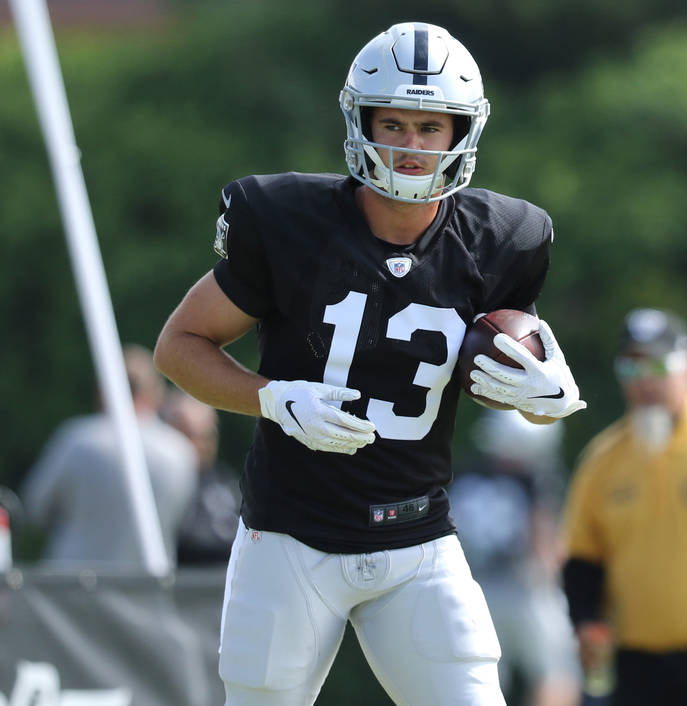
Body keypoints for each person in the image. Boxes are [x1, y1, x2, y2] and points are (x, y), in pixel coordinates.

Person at [153, 21, 586, 706]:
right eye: (394, 123)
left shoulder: (505, 239)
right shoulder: (287, 222)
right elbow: (179, 347)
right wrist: (273, 399)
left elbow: (482, 374)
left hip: (417, 543)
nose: (410, 146)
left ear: (460, 134)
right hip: (291, 537)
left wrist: (537, 394)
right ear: (361, 122)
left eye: (429, 127)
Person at [560, 308, 687, 706]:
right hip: (636, 664)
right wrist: (586, 621)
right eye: (630, 367)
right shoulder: (603, 458)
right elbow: (582, 556)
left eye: (658, 364)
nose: (645, 381)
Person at [21, 344, 197, 567]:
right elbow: (184, 522)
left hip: (71, 590)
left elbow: (36, 507)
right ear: (155, 394)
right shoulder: (180, 451)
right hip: (147, 590)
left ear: (104, 389)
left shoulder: (77, 440)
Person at [449, 410, 581, 706]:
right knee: (557, 674)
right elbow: (543, 545)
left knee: (478, 683)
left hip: (471, 592)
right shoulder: (532, 481)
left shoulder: (464, 475)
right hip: (525, 591)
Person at [161, 389, 242, 565]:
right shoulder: (156, 486)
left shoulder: (227, 484)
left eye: (207, 436)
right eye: (190, 435)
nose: (201, 445)